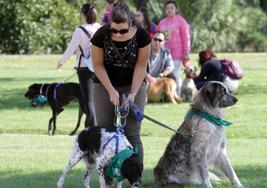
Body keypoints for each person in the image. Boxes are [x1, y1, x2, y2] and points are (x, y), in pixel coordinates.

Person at [90, 2, 151, 176]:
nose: (117, 34)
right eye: (114, 30)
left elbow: (141, 66)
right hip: (103, 85)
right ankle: (107, 177)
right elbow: (98, 65)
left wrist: (132, 94)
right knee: (105, 133)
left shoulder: (142, 36)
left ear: (131, 24)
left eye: (123, 31)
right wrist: (110, 90)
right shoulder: (101, 35)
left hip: (134, 85)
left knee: (132, 134)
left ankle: (135, 178)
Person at [57, 3, 101, 127]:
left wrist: (61, 62)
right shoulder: (99, 27)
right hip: (99, 67)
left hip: (84, 68)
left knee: (88, 101)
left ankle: (92, 128)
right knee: (96, 99)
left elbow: (71, 49)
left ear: (83, 14)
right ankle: (92, 126)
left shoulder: (80, 30)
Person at [158, 0, 191, 96]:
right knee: (166, 74)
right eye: (167, 8)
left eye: (172, 8)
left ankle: (177, 95)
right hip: (165, 53)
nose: (169, 10)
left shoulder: (181, 21)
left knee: (175, 73)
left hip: (178, 52)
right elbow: (159, 37)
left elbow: (186, 37)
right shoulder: (162, 22)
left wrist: (186, 51)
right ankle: (167, 95)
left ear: (176, 9)